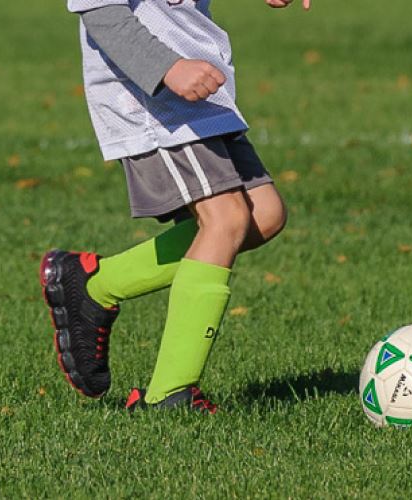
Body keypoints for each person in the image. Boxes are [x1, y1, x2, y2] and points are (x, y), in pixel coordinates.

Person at [40, 0, 305, 414]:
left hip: (203, 90)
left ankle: (93, 285)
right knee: (227, 218)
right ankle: (170, 394)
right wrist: (166, 68)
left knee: (264, 214)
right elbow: (100, 11)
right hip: (151, 97)